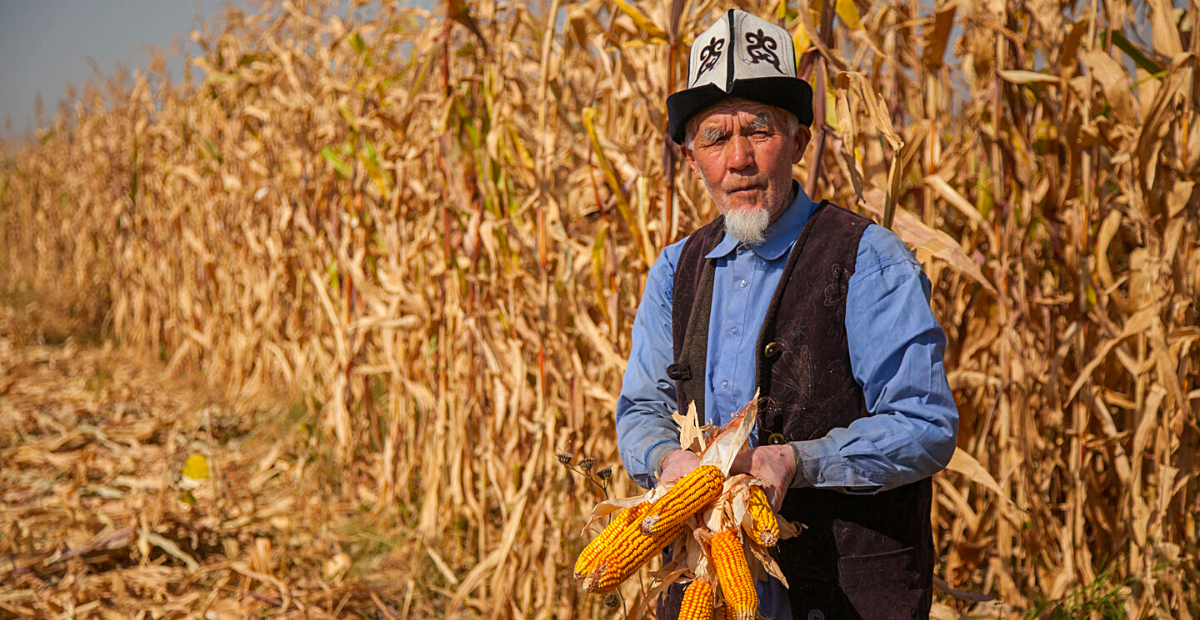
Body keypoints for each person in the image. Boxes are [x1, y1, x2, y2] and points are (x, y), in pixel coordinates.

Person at [613, 9, 958, 620]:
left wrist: (798, 460)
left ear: (800, 141)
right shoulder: (674, 270)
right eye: (716, 137)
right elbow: (642, 407)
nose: (739, 158)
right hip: (704, 588)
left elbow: (925, 423)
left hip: (841, 594)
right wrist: (669, 462)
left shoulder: (867, 258)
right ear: (693, 158)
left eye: (760, 130)